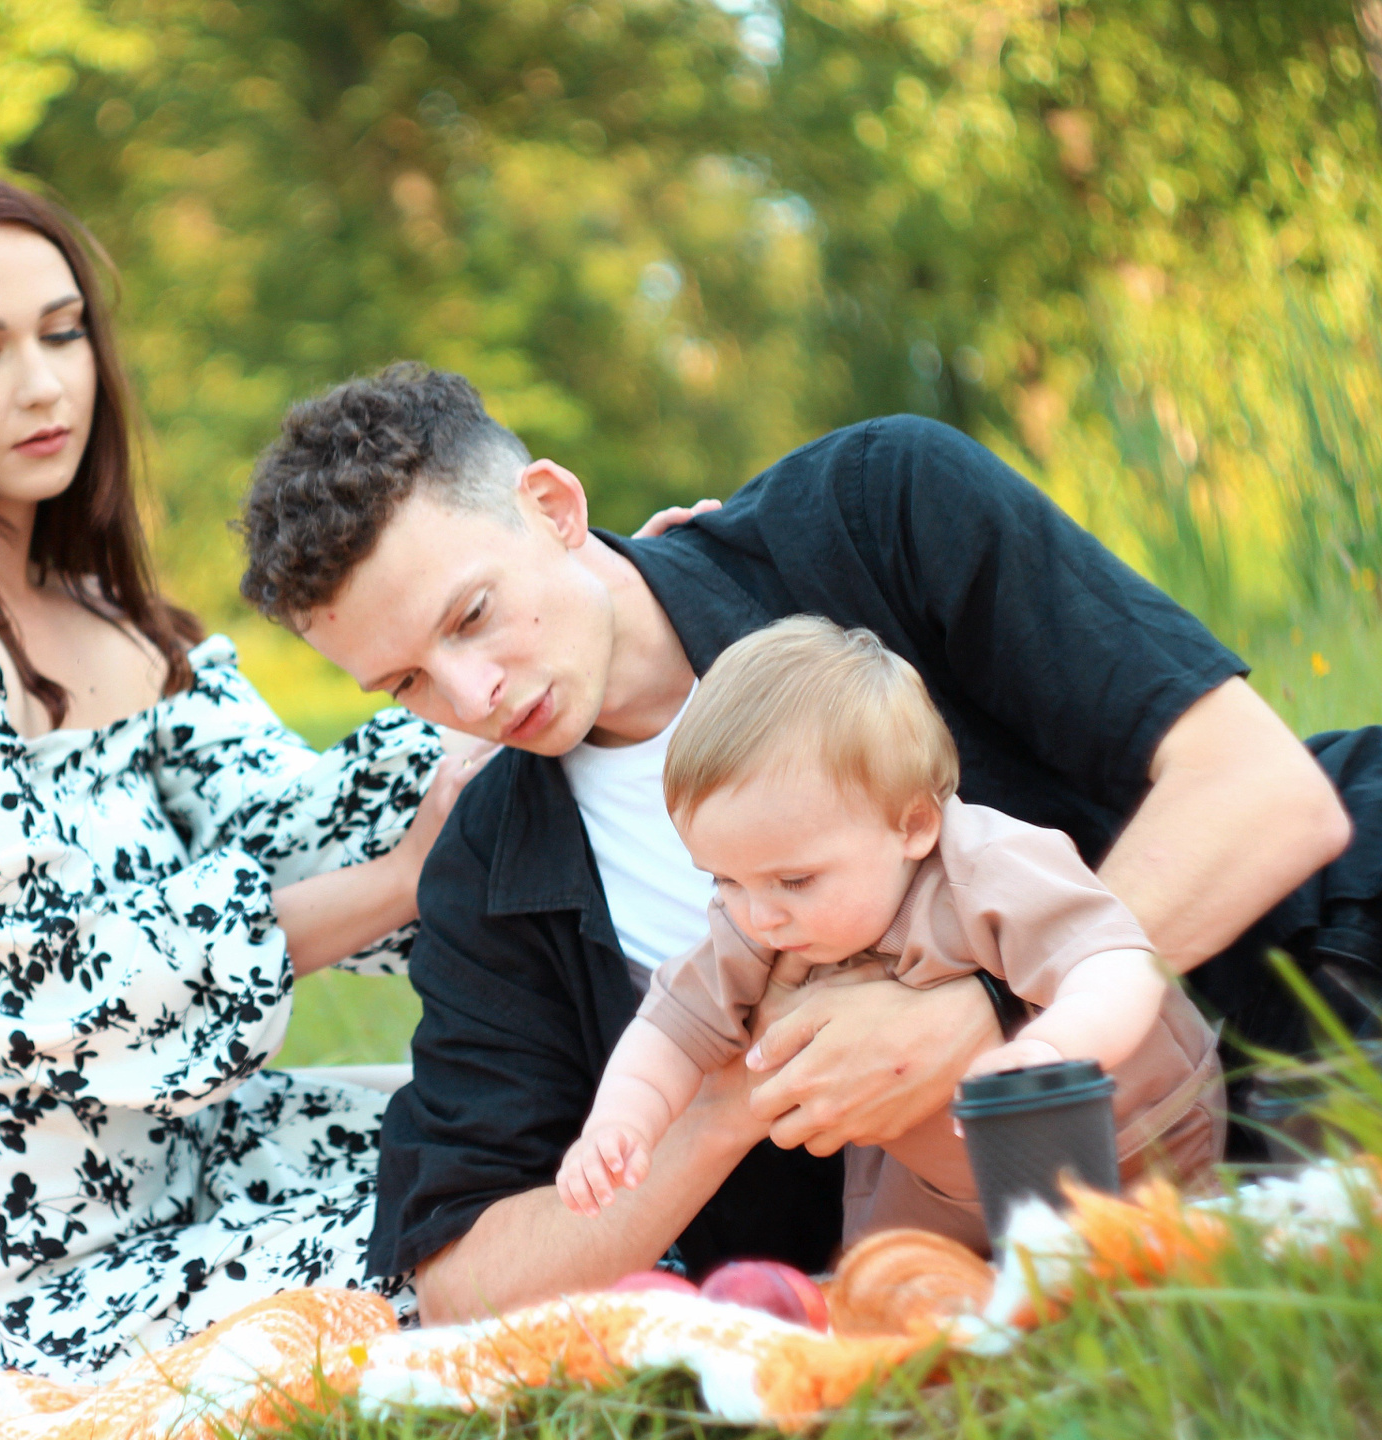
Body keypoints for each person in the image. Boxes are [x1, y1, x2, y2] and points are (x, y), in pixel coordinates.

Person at [236, 363, 1381, 1324]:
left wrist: (984, 1011)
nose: (471, 695)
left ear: (551, 506)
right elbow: (465, 1282)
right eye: (406, 682)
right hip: (963, 1241)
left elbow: (1261, 792)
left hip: (1275, 997)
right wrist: (731, 1097)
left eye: (473, 615)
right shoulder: (488, 872)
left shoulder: (875, 510)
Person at [0, 166, 490, 1381]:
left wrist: (540, 678)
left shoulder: (104, 610)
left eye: (63, 333)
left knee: (529, 1147)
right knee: (489, 1246)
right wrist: (403, 880)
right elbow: (53, 980)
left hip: (180, 1164)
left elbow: (290, 821)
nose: (42, 385)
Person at [556, 617, 1222, 1252]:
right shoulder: (755, 919)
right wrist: (621, 1120)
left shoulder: (985, 868)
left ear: (913, 826)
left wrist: (1051, 1047)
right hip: (939, 1189)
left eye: (795, 880)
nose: (758, 916)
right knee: (890, 1287)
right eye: (723, 879)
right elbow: (670, 1028)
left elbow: (1117, 965)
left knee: (1163, 1271)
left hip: (1132, 1133)